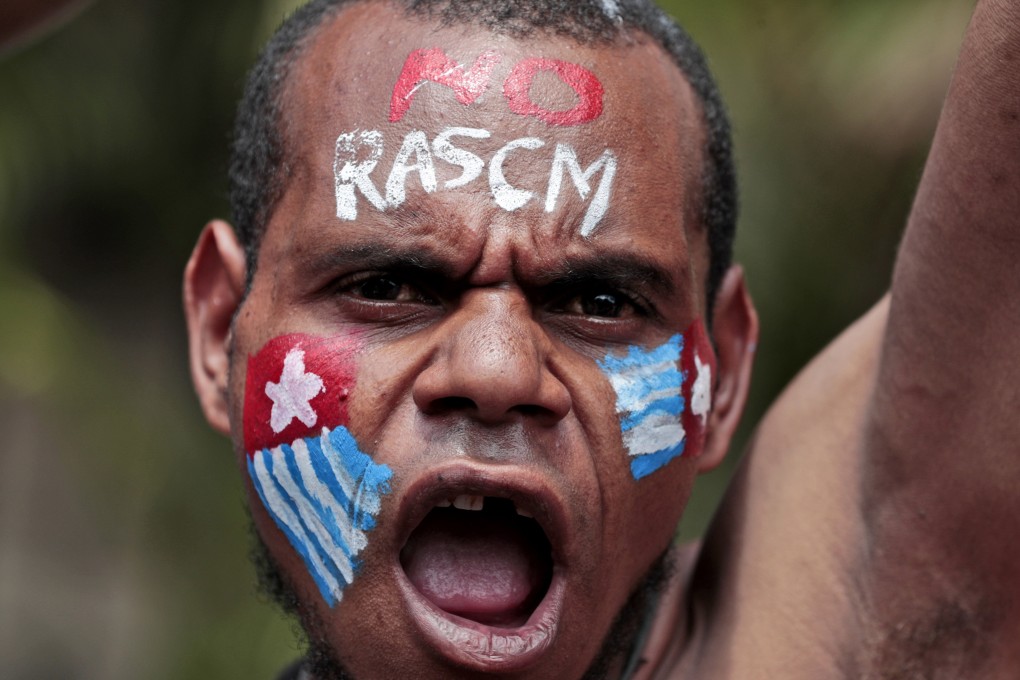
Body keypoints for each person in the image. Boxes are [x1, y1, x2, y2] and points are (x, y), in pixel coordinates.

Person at [182, 0, 1020, 677]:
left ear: (719, 372)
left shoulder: (809, 636)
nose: (497, 371)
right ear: (222, 328)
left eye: (601, 301)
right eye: (388, 287)